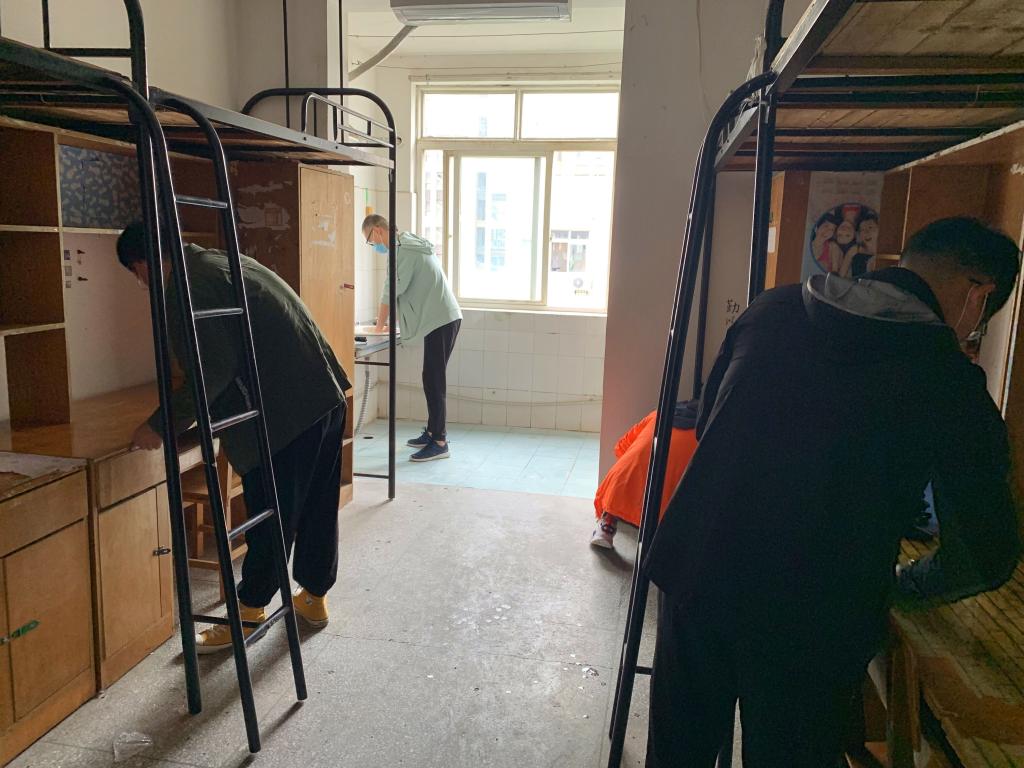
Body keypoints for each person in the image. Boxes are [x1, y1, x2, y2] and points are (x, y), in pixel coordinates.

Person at [643, 216, 1021, 767]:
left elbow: (708, 426)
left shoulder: (771, 309)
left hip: (699, 572)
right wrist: (907, 584)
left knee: (677, 755)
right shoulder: (951, 380)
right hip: (815, 618)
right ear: (977, 294)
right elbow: (987, 553)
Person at [118, 223, 349, 653]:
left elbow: (211, 371)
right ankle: (314, 596)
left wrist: (160, 424)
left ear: (141, 265)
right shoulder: (221, 261)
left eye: (136, 275)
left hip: (284, 416)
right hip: (322, 395)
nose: (142, 284)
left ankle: (248, 611)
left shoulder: (186, 287)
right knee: (317, 505)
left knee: (269, 518)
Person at [363, 214, 462, 462]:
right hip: (441, 317)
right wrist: (389, 322)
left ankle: (439, 442)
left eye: (370, 240)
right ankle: (432, 432)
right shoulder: (407, 242)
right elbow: (410, 289)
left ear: (378, 231)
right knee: (431, 377)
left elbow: (391, 290)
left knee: (434, 378)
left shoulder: (403, 250)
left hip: (441, 319)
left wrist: (379, 326)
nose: (373, 246)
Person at [590, 401, 699, 549]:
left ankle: (606, 525)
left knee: (620, 482)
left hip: (620, 491)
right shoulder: (706, 433)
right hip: (668, 507)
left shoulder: (657, 415)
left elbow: (621, 447)